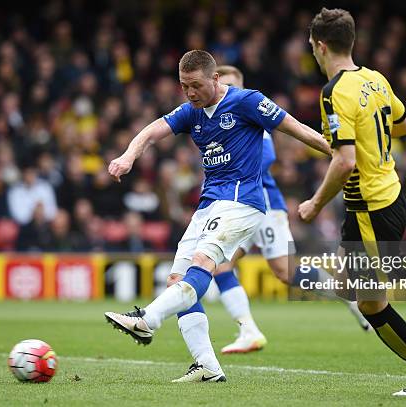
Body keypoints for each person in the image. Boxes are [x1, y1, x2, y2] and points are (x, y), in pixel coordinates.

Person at [104, 50, 331, 383]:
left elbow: (296, 129)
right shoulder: (190, 112)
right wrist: (128, 155)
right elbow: (152, 131)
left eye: (195, 85)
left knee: (204, 264)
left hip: (242, 201)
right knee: (176, 279)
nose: (190, 93)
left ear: (214, 79)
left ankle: (147, 319)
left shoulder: (247, 101)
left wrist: (339, 152)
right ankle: (207, 365)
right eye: (184, 86)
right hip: (209, 204)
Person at [299, 8, 406, 396]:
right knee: (347, 283)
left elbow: (345, 161)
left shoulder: (333, 92)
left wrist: (315, 204)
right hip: (389, 194)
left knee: (370, 302)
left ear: (320, 46)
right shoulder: (375, 79)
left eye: (313, 48)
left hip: (369, 208)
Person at [211, 65, 370, 355]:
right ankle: (248, 330)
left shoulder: (250, 112)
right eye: (223, 86)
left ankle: (347, 295)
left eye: (232, 85)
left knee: (285, 272)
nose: (226, 92)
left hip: (265, 206)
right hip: (236, 206)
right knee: (220, 265)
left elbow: (267, 156)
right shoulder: (215, 119)